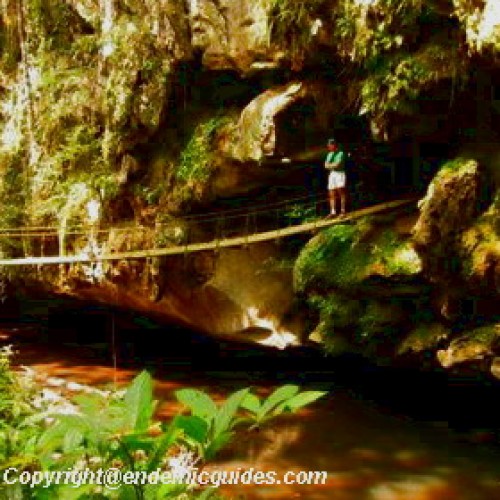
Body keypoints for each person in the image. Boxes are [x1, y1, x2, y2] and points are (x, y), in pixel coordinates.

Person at [324, 138, 347, 217]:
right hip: (332, 174)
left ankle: (343, 211)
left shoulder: (340, 153)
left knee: (341, 192)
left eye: (330, 145)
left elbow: (337, 165)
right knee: (331, 192)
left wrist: (331, 165)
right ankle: (333, 212)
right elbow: (325, 165)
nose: (328, 146)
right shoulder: (329, 154)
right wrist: (332, 165)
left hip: (339, 173)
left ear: (334, 145)